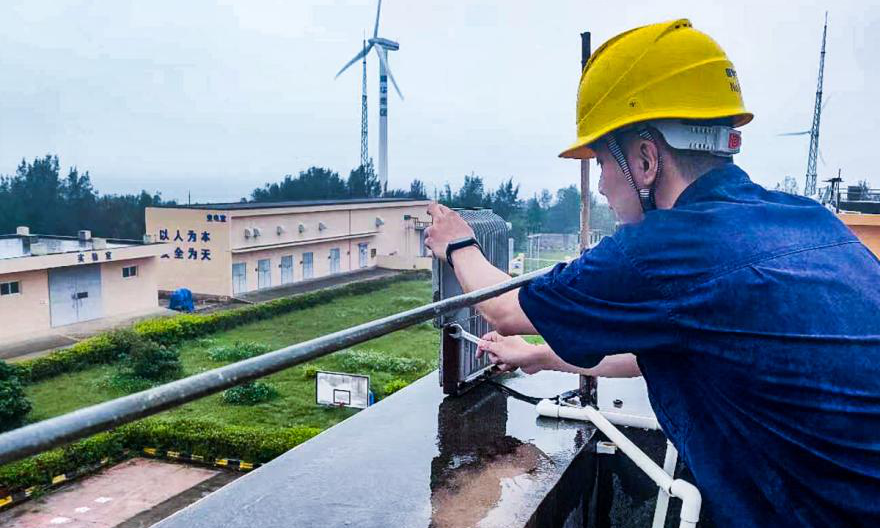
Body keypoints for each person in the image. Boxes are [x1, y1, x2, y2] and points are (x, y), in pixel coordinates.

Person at [424, 19, 880, 528]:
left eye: (601, 162)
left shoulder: (666, 250)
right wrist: (540, 357)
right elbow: (672, 354)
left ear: (644, 160)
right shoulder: (812, 220)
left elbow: (503, 310)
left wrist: (458, 243)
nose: (600, 186)